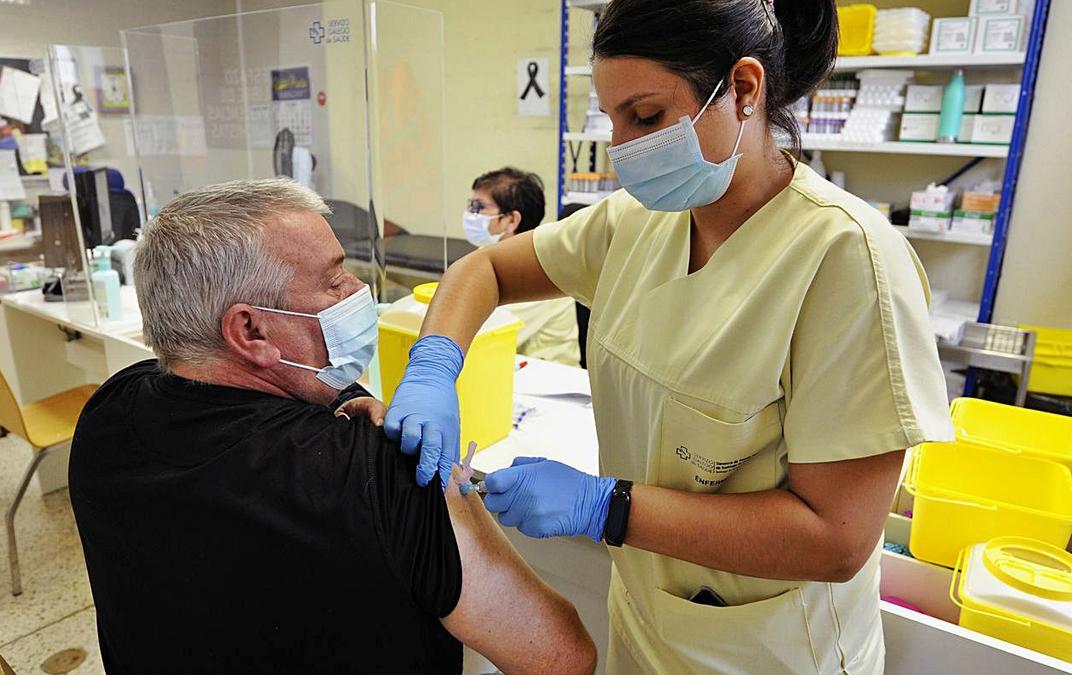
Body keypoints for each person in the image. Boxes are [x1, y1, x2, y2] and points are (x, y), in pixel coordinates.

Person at [383, 1, 954, 673]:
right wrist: (433, 364)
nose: (623, 151)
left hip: (768, 651)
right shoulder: (638, 224)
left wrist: (608, 506)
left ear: (743, 89)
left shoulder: (848, 260)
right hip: (648, 626)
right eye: (612, 120)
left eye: (646, 117)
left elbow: (836, 538)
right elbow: (484, 269)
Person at [68, 179, 596, 674]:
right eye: (335, 279)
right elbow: (562, 657)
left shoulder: (109, 411)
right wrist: (453, 494)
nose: (358, 288)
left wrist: (349, 396)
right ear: (251, 329)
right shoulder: (376, 474)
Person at [462, 167, 580, 366]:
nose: (471, 214)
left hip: (546, 384)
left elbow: (480, 333)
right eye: (471, 206)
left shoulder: (538, 268)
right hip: (507, 368)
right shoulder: (488, 253)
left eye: (479, 207)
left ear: (512, 220)